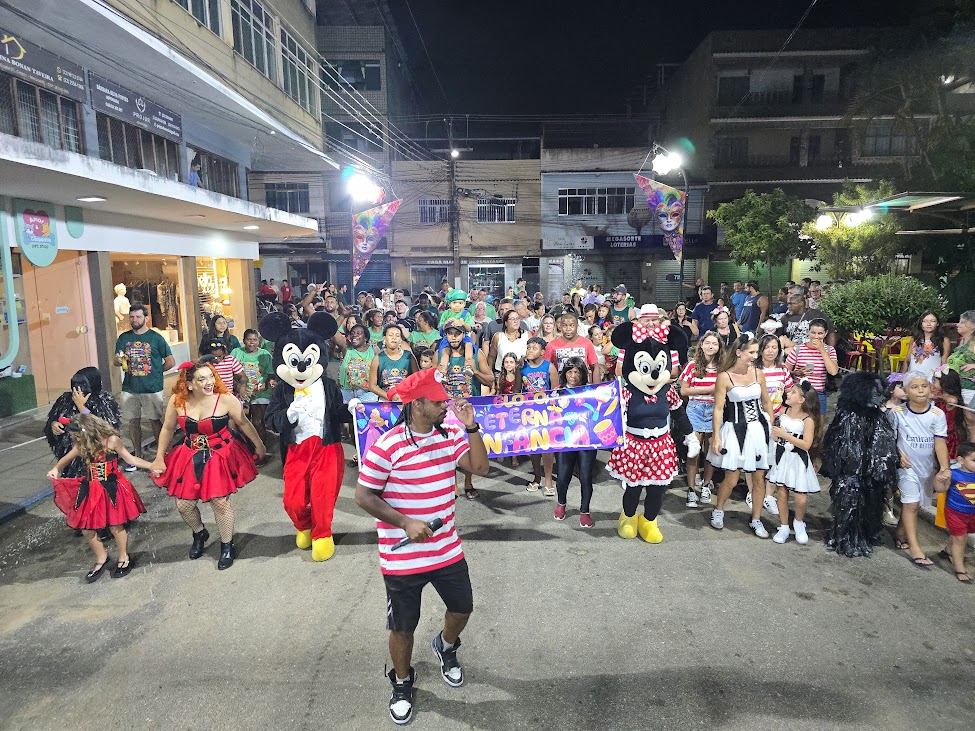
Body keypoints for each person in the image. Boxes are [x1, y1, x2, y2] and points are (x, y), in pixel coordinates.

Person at [354, 369, 488, 725]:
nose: (446, 405)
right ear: (417, 405)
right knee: (402, 627)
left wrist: (471, 427)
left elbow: (480, 468)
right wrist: (404, 523)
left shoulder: (451, 435)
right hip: (402, 557)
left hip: (446, 549)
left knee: (462, 609)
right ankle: (401, 681)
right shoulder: (388, 444)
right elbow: (363, 495)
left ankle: (445, 645)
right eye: (438, 401)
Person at [150, 360, 266, 570]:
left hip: (220, 454)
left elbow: (243, 422)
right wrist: (159, 456)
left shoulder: (226, 399)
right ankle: (199, 533)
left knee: (220, 502)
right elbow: (167, 428)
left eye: (211, 376)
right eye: (201, 379)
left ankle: (227, 545)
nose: (209, 382)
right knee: (183, 505)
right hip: (189, 454)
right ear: (189, 384)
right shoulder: (178, 400)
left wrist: (259, 445)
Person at [47, 414, 151, 581]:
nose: (76, 438)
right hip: (90, 488)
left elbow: (130, 458)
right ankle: (102, 557)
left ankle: (124, 556)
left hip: (111, 488)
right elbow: (66, 459)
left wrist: (152, 466)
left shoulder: (112, 440)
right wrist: (56, 469)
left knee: (115, 526)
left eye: (78, 434)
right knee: (87, 528)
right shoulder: (82, 443)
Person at [707, 333, 774, 537]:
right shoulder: (724, 377)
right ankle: (719, 509)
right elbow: (718, 409)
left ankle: (756, 519)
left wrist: (771, 426)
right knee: (732, 477)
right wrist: (716, 436)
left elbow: (766, 402)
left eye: (756, 352)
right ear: (738, 352)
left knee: (759, 477)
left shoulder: (758, 374)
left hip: (758, 429)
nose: (755, 356)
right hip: (735, 430)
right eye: (751, 352)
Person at [889, 371, 951, 568]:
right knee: (912, 504)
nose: (920, 391)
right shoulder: (897, 412)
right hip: (906, 467)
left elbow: (940, 443)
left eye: (924, 386)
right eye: (914, 387)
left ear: (930, 388)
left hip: (926, 468)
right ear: (906, 391)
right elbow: (888, 438)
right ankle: (915, 548)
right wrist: (898, 454)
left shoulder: (937, 414)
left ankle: (900, 533)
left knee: (914, 504)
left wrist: (944, 468)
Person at [114, 304, 175, 467]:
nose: (135, 320)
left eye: (138, 316)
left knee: (155, 421)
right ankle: (137, 455)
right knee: (132, 421)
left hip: (152, 388)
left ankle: (162, 455)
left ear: (146, 318)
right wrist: (118, 360)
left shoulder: (156, 338)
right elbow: (116, 361)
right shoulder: (123, 338)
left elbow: (170, 362)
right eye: (132, 317)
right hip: (130, 387)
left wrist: (156, 373)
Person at [767, 383, 822, 544]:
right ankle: (784, 526)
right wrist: (775, 435)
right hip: (782, 457)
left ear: (801, 400)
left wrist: (786, 436)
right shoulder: (783, 412)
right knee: (781, 491)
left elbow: (806, 445)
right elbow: (777, 433)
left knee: (800, 496)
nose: (788, 394)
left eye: (793, 392)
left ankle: (798, 522)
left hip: (798, 460)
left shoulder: (808, 419)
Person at [45, 367, 121, 480]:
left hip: (97, 460)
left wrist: (81, 406)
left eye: (82, 384)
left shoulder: (104, 401)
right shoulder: (65, 400)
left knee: (98, 486)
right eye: (75, 384)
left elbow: (102, 428)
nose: (78, 388)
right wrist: (53, 425)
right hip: (71, 458)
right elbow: (54, 418)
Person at [551, 358, 598, 527]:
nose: (573, 375)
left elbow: (598, 412)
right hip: (565, 441)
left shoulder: (591, 391)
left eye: (577, 372)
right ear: (564, 374)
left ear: (583, 374)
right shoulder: (557, 392)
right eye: (569, 372)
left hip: (587, 442)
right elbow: (549, 415)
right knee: (562, 477)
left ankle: (585, 511)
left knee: (585, 477)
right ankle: (561, 503)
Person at [680, 332, 722, 507]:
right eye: (708, 343)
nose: (711, 346)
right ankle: (691, 489)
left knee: (711, 451)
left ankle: (706, 485)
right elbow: (684, 390)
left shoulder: (722, 367)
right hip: (695, 409)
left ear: (719, 347)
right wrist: (707, 390)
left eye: (715, 343)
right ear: (702, 345)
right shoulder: (692, 366)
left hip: (715, 411)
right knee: (694, 451)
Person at [521, 336, 558, 496]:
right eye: (528, 347)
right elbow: (517, 390)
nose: (530, 350)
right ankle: (537, 478)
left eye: (534, 348)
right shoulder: (521, 367)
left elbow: (556, 391)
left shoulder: (549, 367)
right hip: (528, 413)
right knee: (533, 447)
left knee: (546, 447)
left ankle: (548, 481)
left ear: (543, 352)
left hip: (546, 412)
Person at [785, 319, 838, 429]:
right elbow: (785, 371)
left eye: (820, 333)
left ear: (825, 333)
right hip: (800, 393)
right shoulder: (798, 349)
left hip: (819, 393)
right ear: (808, 332)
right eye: (813, 333)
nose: (816, 337)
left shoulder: (830, 350)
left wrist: (822, 350)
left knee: (818, 427)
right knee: (797, 426)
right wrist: (796, 372)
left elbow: (833, 371)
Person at [231, 330, 273, 462]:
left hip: (261, 393)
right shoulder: (236, 353)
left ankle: (261, 453)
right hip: (241, 393)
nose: (251, 343)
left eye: (254, 340)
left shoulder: (265, 354)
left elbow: (271, 374)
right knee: (242, 423)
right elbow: (230, 372)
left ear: (258, 341)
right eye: (249, 340)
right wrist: (239, 387)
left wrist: (268, 382)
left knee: (258, 422)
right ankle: (247, 451)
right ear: (244, 341)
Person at [937, 442, 975, 582]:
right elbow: (940, 489)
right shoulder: (954, 474)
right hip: (955, 513)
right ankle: (960, 569)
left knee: (960, 536)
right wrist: (939, 479)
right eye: (974, 460)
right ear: (961, 460)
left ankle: (948, 550)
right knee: (960, 539)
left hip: (972, 515)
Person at [370, 324, 418, 400]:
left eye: (397, 335)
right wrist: (389, 396)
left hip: (406, 397)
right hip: (385, 398)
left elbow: (417, 380)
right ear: (384, 338)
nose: (394, 338)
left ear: (400, 340)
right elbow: (372, 386)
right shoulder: (378, 358)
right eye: (390, 335)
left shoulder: (409, 356)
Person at [902, 311, 952, 380]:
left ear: (937, 324)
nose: (928, 324)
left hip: (931, 380)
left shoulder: (943, 340)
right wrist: (902, 378)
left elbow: (944, 363)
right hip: (912, 379)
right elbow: (907, 360)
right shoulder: (915, 339)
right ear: (921, 324)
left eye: (932, 321)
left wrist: (941, 381)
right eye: (925, 321)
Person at [340, 324, 380, 404]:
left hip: (367, 394)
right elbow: (334, 334)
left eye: (359, 333)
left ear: (366, 338)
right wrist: (343, 317)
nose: (354, 335)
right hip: (347, 393)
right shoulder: (347, 348)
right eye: (352, 333)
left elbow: (380, 369)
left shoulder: (374, 349)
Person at [488, 309, 530, 375]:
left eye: (517, 318)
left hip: (522, 373)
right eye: (513, 319)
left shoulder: (527, 335)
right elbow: (492, 356)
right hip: (502, 374)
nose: (516, 321)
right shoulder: (498, 336)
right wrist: (489, 371)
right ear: (506, 323)